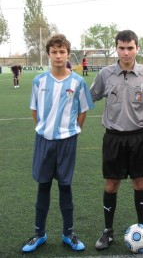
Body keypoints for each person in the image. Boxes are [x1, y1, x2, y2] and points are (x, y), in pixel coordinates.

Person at [90, 30, 143, 250]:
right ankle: (107, 232)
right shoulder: (105, 74)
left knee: (139, 183)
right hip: (113, 137)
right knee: (111, 185)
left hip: (139, 137)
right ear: (116, 49)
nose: (126, 52)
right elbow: (88, 97)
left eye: (130, 47)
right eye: (121, 48)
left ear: (137, 48)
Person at [22, 34, 94, 253]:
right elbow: (34, 110)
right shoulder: (39, 81)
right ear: (48, 55)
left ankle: (68, 233)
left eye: (62, 51)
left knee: (65, 187)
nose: (58, 55)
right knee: (43, 186)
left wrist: (72, 131)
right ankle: (39, 234)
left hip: (67, 142)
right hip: (44, 141)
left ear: (68, 54)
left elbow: (83, 111)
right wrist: (47, 129)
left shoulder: (78, 82)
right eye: (54, 52)